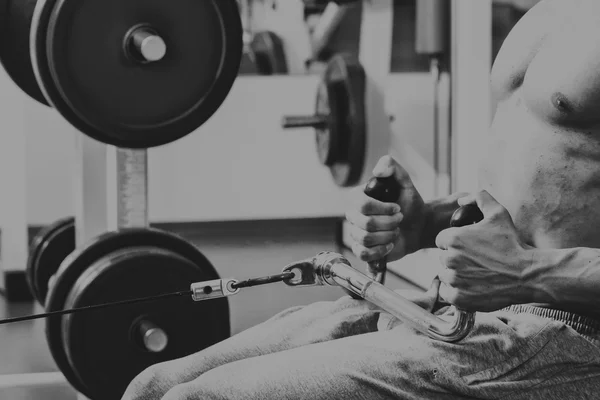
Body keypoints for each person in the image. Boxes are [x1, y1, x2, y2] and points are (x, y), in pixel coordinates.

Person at [121, 0, 600, 398]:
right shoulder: (555, 11)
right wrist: (428, 222)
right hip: (466, 313)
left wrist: (526, 271)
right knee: (153, 385)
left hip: (569, 333)